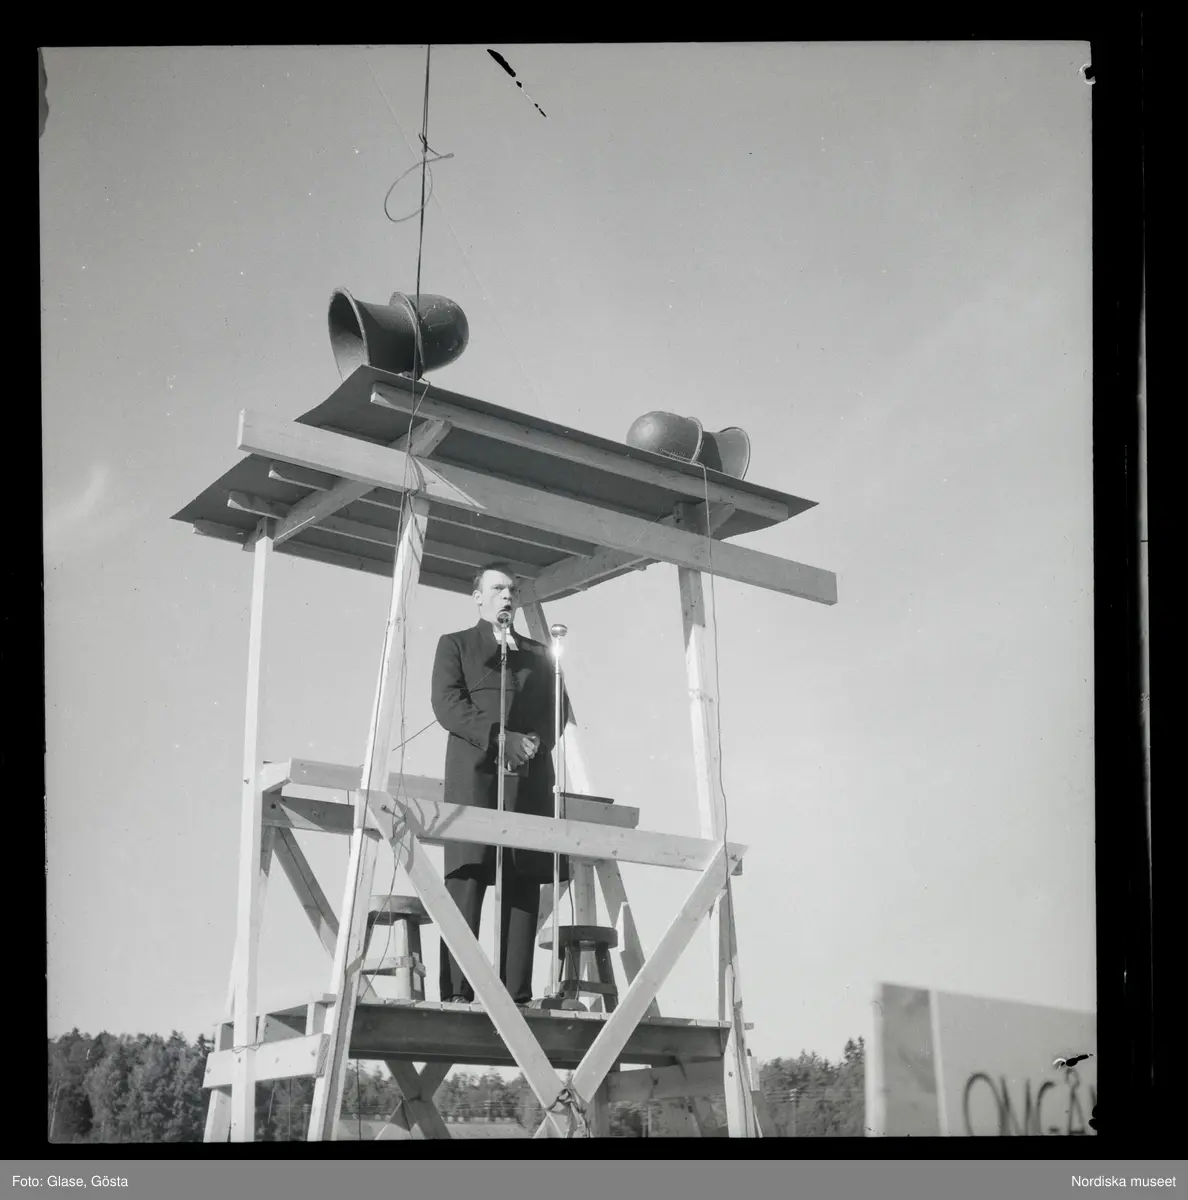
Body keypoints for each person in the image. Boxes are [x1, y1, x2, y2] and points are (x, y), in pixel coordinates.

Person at [431, 563, 570, 1005]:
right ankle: (457, 992)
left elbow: (558, 708)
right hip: (475, 778)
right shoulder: (456, 644)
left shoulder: (538, 652)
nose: (506, 596)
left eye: (512, 589)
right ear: (478, 598)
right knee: (467, 877)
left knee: (522, 878)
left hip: (526, 779)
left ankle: (515, 995)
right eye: (497, 589)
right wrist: (496, 736)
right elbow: (447, 703)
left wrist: (534, 742)